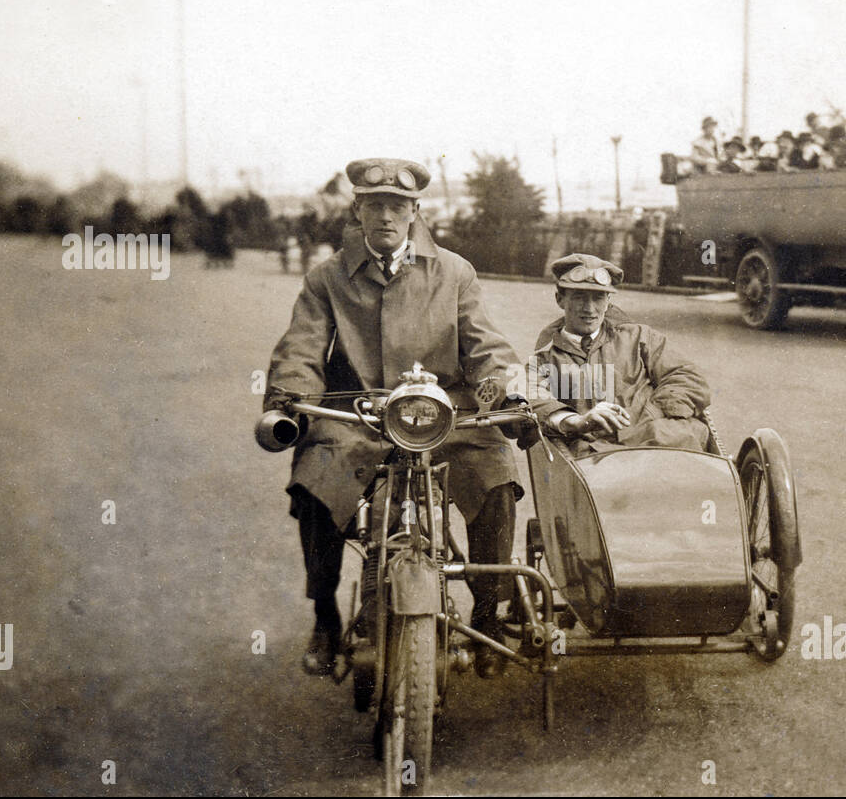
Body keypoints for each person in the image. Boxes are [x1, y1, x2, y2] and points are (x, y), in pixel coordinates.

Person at [263, 157, 528, 680]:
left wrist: (504, 396)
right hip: (358, 414)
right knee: (314, 483)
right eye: (374, 205)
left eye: (397, 206)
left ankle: (489, 615)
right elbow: (301, 349)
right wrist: (288, 398)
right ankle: (325, 617)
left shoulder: (454, 271)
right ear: (357, 210)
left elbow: (485, 346)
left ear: (415, 212)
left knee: (497, 477)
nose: (385, 216)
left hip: (442, 412)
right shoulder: (327, 277)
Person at [529, 254, 712, 458]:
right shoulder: (544, 359)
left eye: (598, 298)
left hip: (663, 442)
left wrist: (646, 417)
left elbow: (688, 379)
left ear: (608, 301)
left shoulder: (641, 337)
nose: (589, 309)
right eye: (579, 296)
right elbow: (529, 399)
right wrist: (578, 421)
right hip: (597, 457)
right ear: (560, 299)